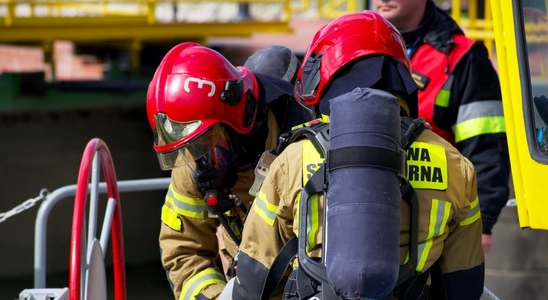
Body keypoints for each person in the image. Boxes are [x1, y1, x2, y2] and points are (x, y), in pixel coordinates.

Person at [226, 11, 484, 299]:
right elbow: (465, 285)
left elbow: (253, 277)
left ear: (325, 74)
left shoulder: (294, 159)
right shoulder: (454, 165)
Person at [146, 42, 311, 299]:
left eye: (206, 143)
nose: (198, 158)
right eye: (190, 148)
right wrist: (212, 296)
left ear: (237, 122)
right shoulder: (192, 155)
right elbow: (183, 251)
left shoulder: (303, 150)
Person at [374, 0, 510, 254]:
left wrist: (483, 224)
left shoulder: (463, 58)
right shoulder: (354, 45)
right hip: (362, 212)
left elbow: (486, 148)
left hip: (434, 226)